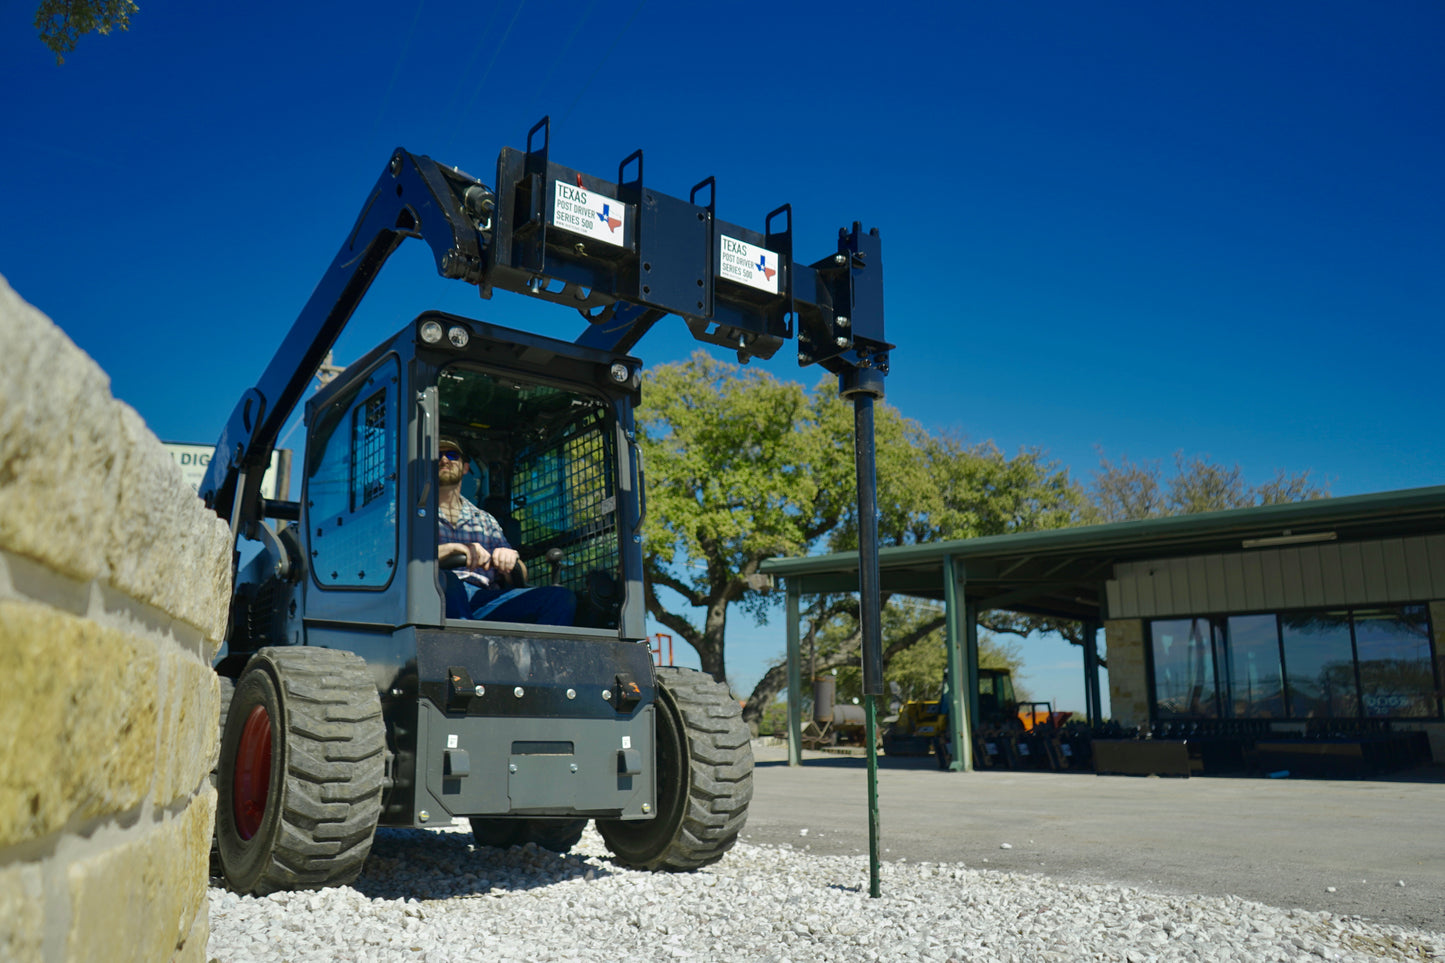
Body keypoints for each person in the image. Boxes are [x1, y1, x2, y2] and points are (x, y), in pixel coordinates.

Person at [436, 437, 575, 625]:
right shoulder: (409, 514)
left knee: (559, 598)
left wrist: (511, 559)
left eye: (452, 455)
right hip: (434, 599)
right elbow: (403, 561)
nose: (444, 460)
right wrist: (453, 549)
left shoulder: (485, 520)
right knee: (450, 582)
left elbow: (521, 575)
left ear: (465, 468)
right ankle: (466, 648)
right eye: (438, 455)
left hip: (483, 599)